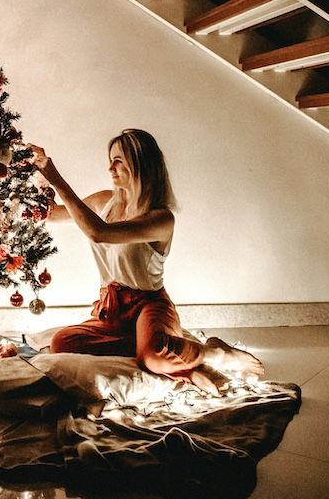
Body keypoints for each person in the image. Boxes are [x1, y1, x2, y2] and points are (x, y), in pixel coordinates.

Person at [29, 129, 264, 396]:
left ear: (140, 165)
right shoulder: (104, 200)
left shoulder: (160, 219)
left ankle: (213, 353)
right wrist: (39, 175)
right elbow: (49, 215)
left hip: (149, 304)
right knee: (62, 342)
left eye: (118, 160)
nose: (110, 167)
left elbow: (99, 232)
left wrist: (56, 178)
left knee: (153, 357)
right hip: (113, 307)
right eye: (110, 159)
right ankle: (173, 354)